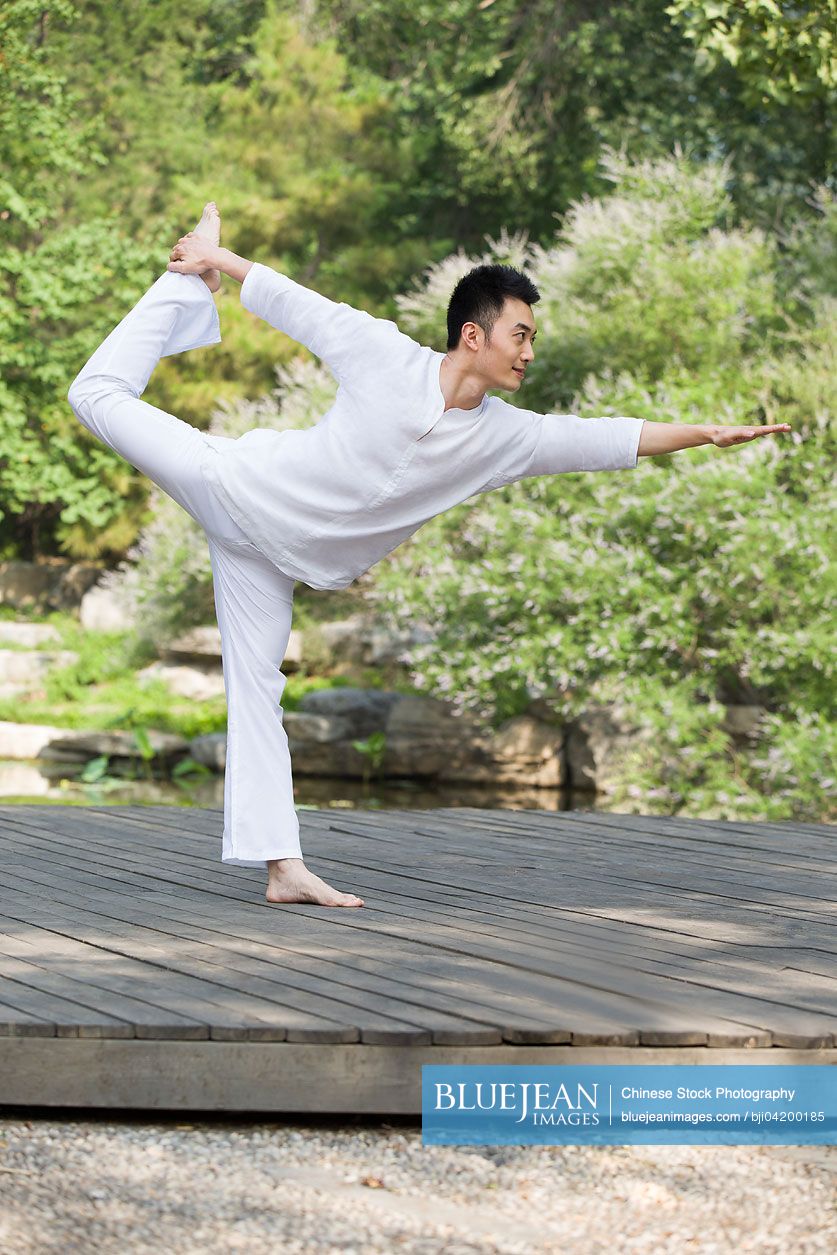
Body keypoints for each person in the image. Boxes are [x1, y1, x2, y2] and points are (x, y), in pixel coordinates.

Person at [67, 203, 792, 908]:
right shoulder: (383, 353)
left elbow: (602, 436)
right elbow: (294, 303)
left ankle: (283, 867)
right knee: (94, 391)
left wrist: (704, 432)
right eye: (521, 335)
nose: (530, 353)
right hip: (234, 486)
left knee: (256, 692)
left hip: (274, 562)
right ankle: (182, 288)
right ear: (474, 335)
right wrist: (211, 260)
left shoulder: (505, 437)